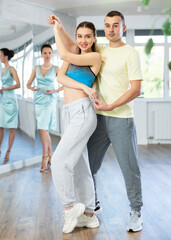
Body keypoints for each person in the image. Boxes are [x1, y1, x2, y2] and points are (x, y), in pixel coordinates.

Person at [48, 11, 143, 233]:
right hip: (97, 116)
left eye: (116, 25)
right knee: (87, 165)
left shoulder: (130, 53)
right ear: (103, 30)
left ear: (123, 28)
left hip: (119, 116)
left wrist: (110, 105)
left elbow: (136, 89)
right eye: (107, 25)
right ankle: (91, 210)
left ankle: (135, 211)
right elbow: (75, 45)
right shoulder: (99, 49)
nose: (111, 29)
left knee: (129, 168)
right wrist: (60, 27)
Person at [48, 16, 101, 234]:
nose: (83, 40)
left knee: (59, 160)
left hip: (82, 112)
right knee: (80, 165)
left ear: (94, 37)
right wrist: (58, 27)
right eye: (80, 36)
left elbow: (62, 53)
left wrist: (55, 30)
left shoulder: (94, 57)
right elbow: (60, 77)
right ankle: (89, 215)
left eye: (88, 36)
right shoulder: (75, 54)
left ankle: (70, 207)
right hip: (69, 111)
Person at [27, 44, 61, 172]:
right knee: (43, 129)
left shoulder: (56, 68)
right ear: (41, 54)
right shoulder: (36, 68)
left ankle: (45, 158)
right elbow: (28, 84)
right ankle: (51, 155)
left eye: (49, 53)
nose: (47, 55)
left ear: (52, 54)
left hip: (49, 100)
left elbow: (65, 84)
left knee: (43, 129)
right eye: (45, 53)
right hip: (39, 100)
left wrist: (54, 90)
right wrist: (32, 88)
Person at [0, 48, 20, 164]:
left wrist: (5, 89)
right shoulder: (3, 70)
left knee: (11, 128)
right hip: (3, 100)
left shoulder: (12, 69)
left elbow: (18, 84)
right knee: (0, 126)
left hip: (11, 101)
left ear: (6, 57)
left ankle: (8, 151)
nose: (0, 58)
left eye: (1, 55)